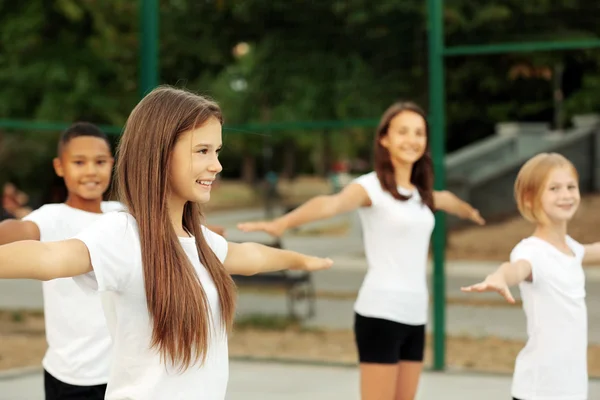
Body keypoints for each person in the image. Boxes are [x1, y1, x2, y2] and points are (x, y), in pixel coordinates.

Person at [0, 86, 332, 400]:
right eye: (202, 150)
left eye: (216, 151)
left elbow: (249, 256)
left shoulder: (197, 240)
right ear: (159, 154)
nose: (216, 165)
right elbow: (48, 259)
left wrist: (300, 260)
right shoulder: (122, 233)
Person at [238, 101, 485, 400]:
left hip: (415, 315)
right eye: (403, 131)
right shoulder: (370, 187)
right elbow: (330, 204)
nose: (412, 139)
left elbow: (448, 199)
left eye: (419, 133)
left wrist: (470, 211)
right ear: (384, 139)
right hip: (380, 312)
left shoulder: (424, 195)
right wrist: (282, 223)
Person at [461, 153, 600, 400]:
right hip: (539, 390)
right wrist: (499, 277)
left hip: (573, 389)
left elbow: (594, 250)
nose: (566, 195)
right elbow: (516, 268)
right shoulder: (531, 251)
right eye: (554, 188)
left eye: (571, 187)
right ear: (529, 198)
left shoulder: (571, 248)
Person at [0, 122, 121, 400]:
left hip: (121, 373)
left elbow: (175, 233)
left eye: (100, 161)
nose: (91, 170)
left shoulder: (122, 214)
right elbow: (18, 231)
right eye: (79, 162)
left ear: (111, 164)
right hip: (71, 376)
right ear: (60, 167)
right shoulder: (51, 216)